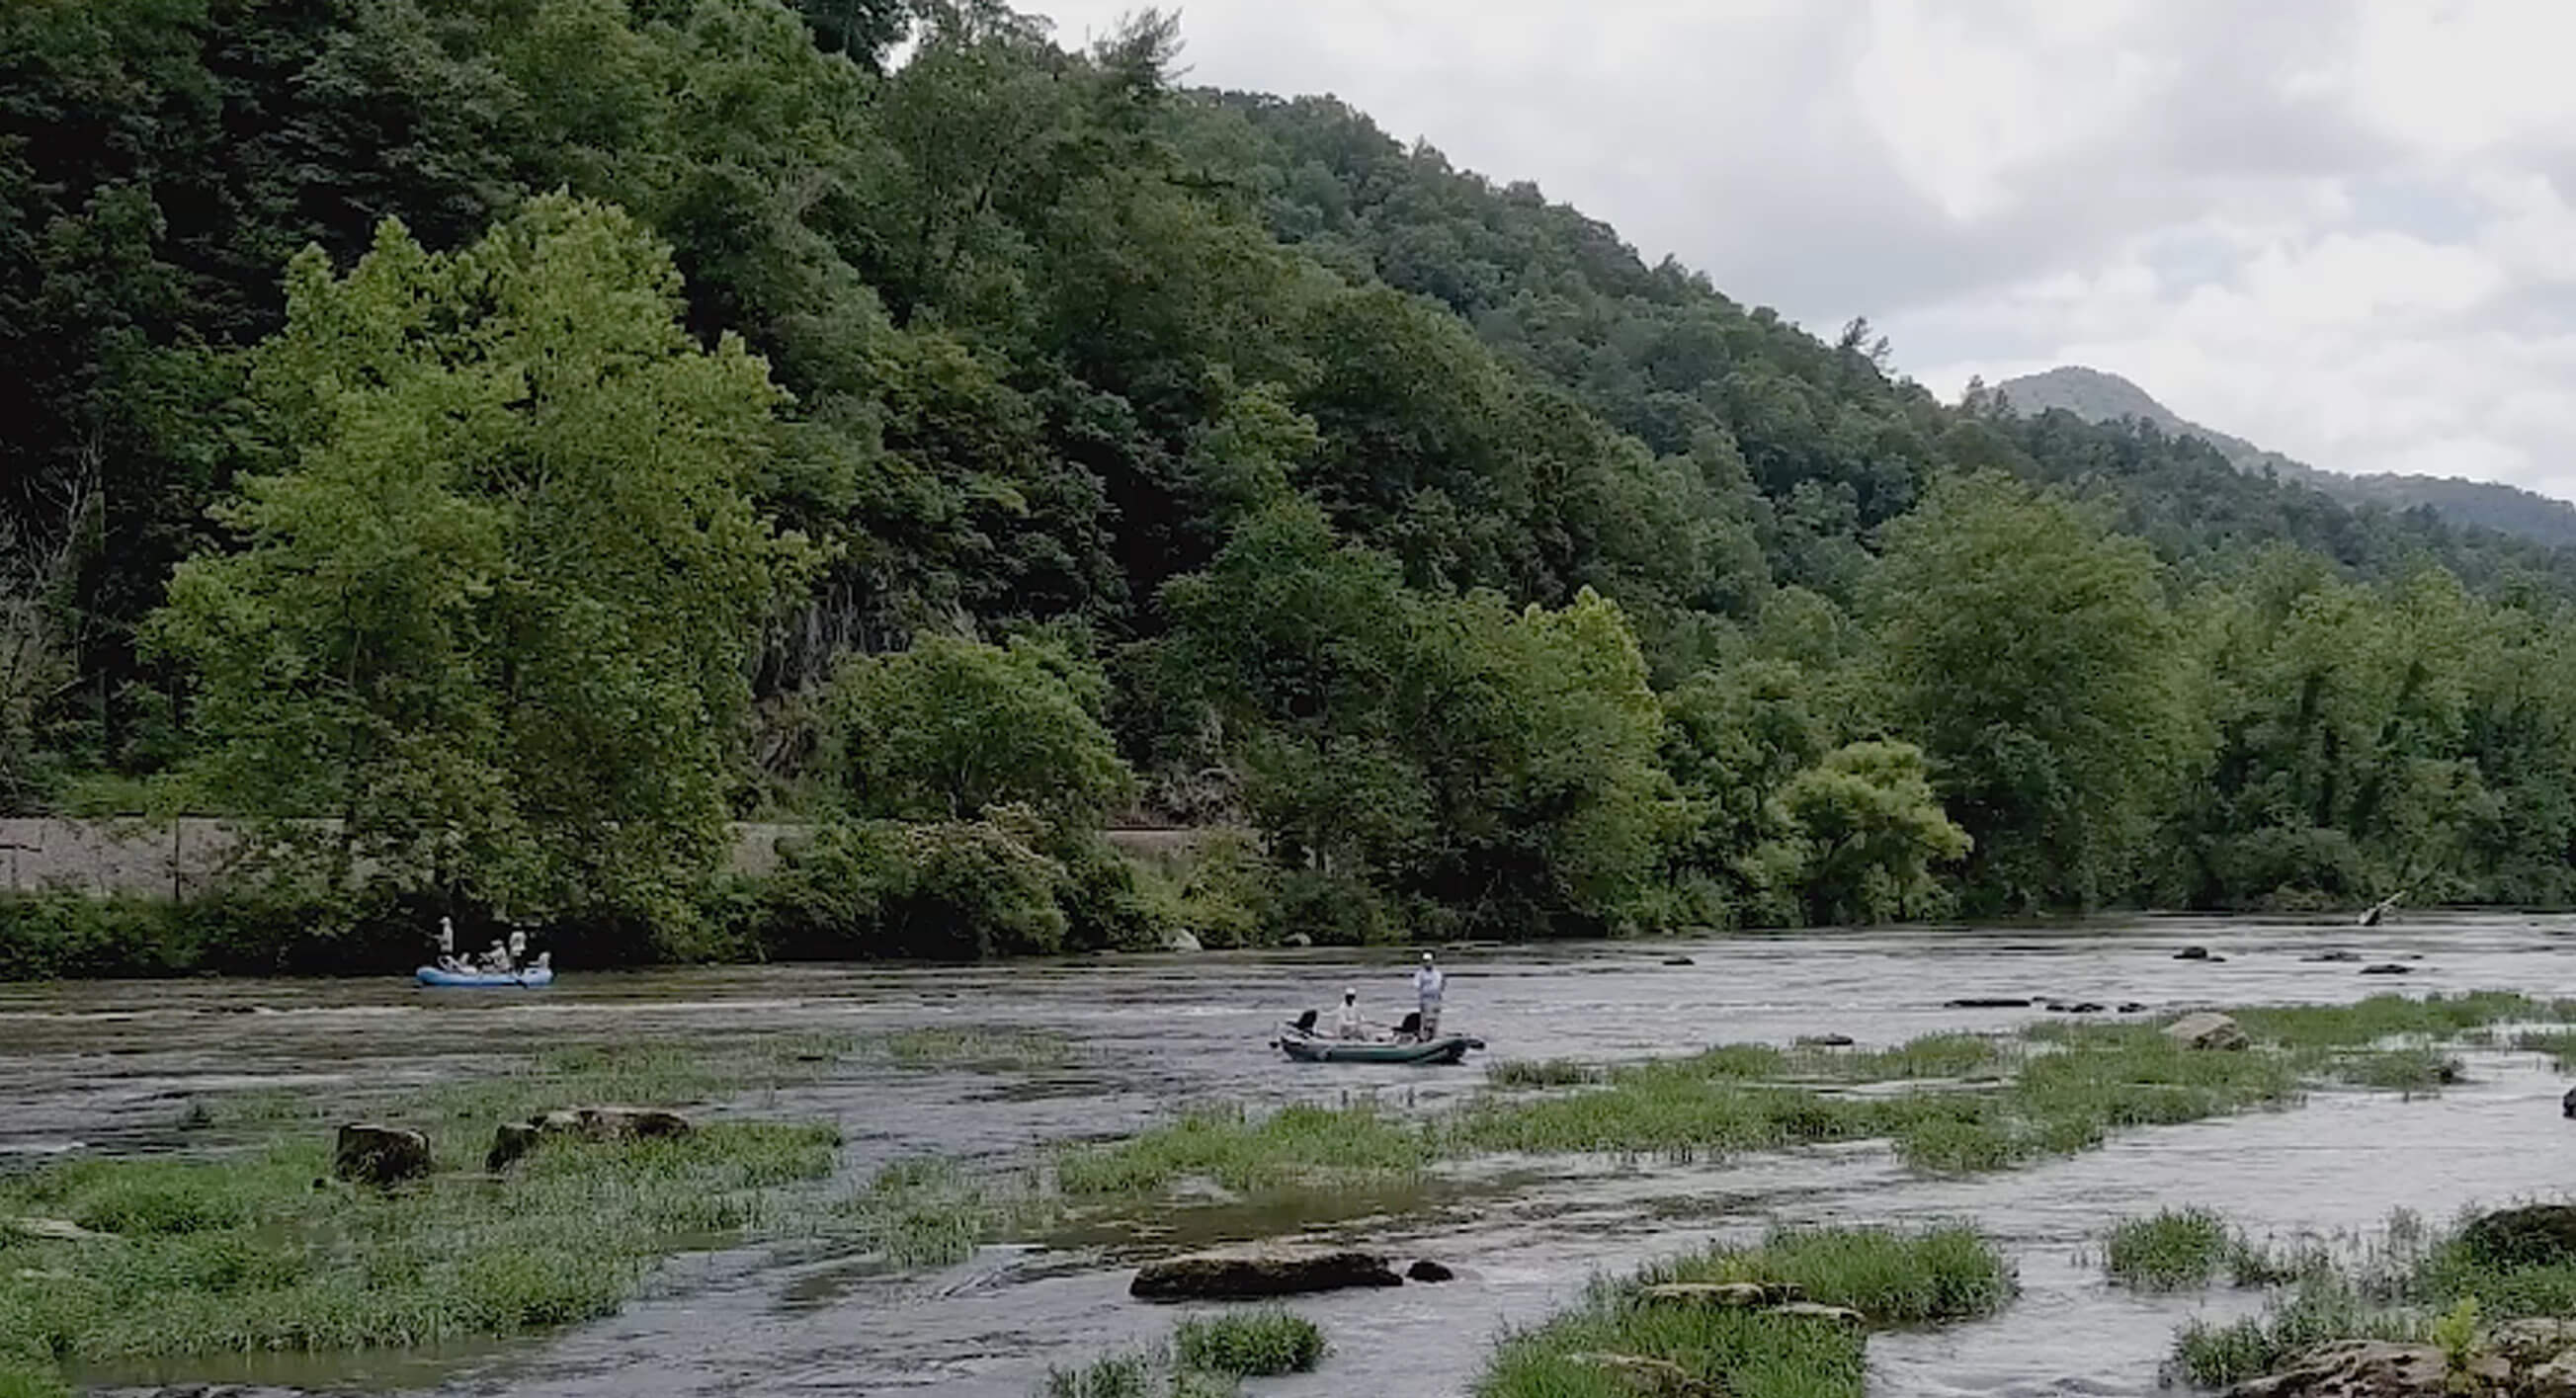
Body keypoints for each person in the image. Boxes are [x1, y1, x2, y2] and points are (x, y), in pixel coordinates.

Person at [1413, 951, 1446, 1039]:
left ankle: (1434, 1036)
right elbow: (1417, 985)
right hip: (1425, 1001)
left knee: (1434, 1020)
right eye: (1425, 961)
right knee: (1426, 1021)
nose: (1427, 963)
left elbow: (1441, 985)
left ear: (1432, 961)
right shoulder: (1420, 974)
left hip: (1436, 1001)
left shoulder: (1438, 973)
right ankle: (1425, 1037)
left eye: (1428, 961)